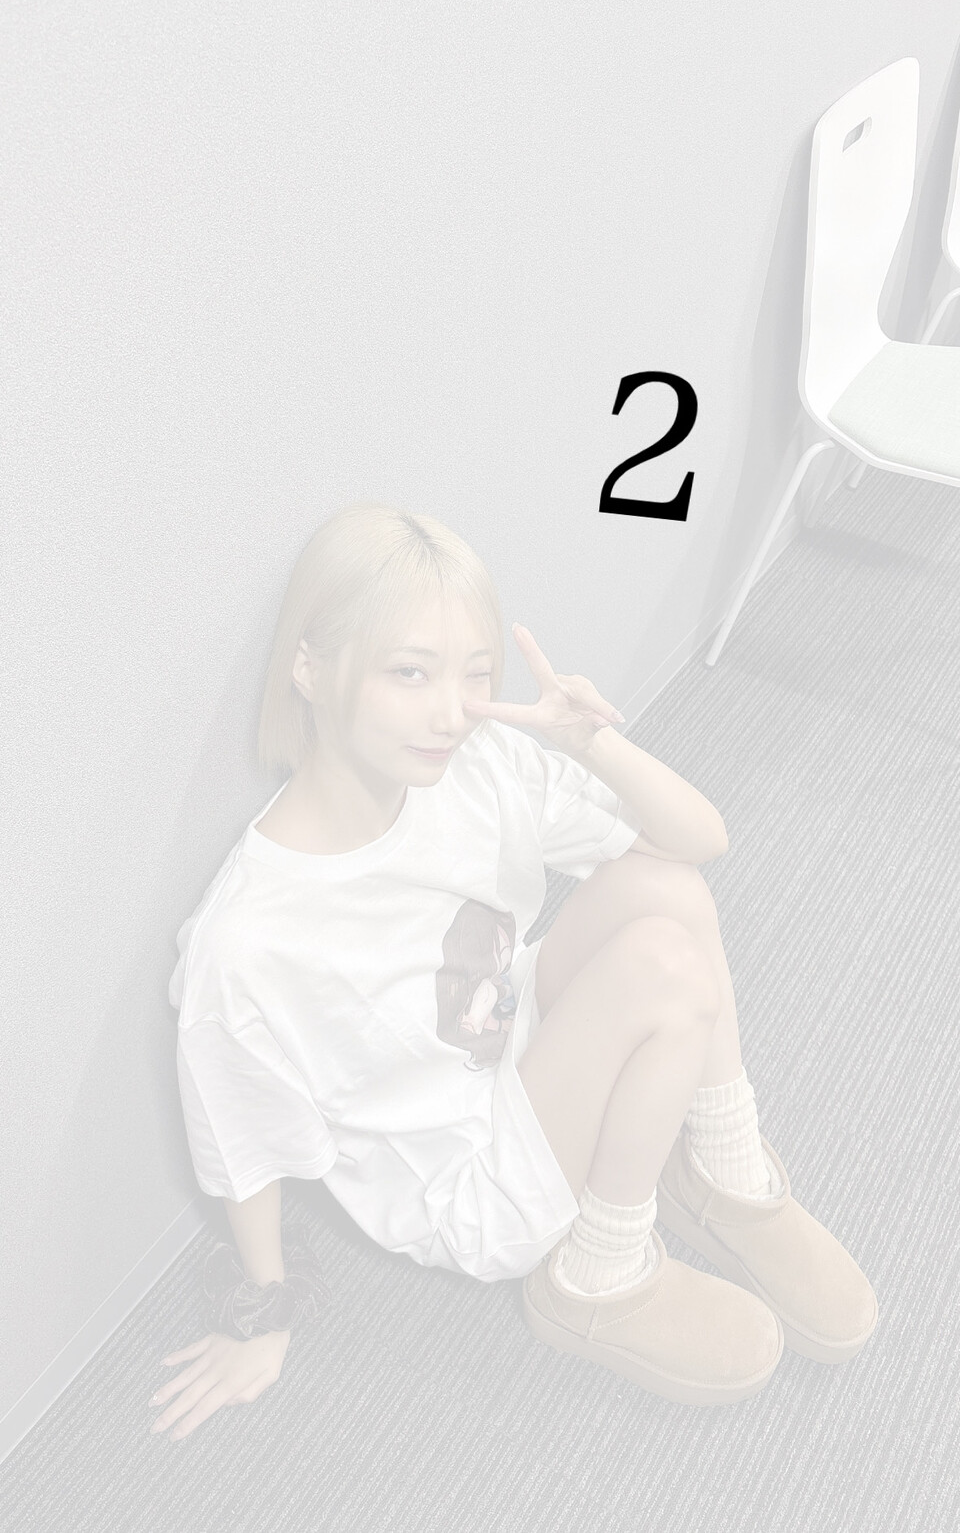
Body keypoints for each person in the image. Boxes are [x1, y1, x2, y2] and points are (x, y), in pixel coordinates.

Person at [149, 502, 878, 1442]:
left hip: (507, 1035)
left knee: (665, 891)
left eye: (474, 673)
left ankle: (722, 1170)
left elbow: (697, 842)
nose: (450, 712)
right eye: (410, 673)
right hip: (467, 1181)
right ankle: (597, 1275)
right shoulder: (251, 939)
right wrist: (264, 1314)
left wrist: (591, 742)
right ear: (310, 667)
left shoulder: (473, 763)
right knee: (665, 968)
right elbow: (239, 1141)